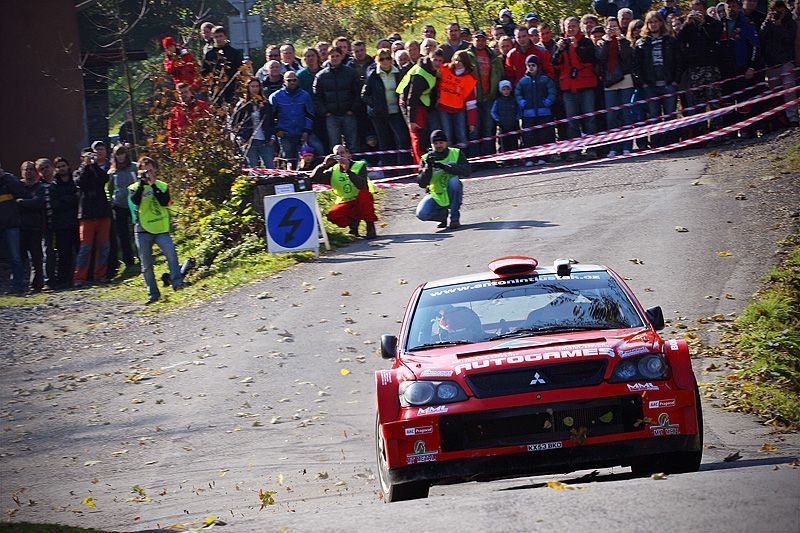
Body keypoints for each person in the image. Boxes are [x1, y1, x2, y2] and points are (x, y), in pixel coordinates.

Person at [128, 156, 187, 305]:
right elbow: (135, 201)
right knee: (146, 264)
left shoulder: (162, 185)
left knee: (171, 255)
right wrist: (142, 185)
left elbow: (164, 201)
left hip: (160, 228)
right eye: (144, 171)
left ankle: (177, 282)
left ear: (155, 170)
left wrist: (153, 185)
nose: (148, 173)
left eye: (150, 170)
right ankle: (153, 293)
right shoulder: (134, 188)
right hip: (142, 230)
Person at [633, 11, 683, 147]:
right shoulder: (641, 42)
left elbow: (679, 61)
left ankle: (672, 143)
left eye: (655, 21)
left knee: (670, 115)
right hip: (650, 85)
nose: (653, 25)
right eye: (650, 22)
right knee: (654, 115)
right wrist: (642, 82)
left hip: (668, 83)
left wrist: (675, 80)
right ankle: (656, 144)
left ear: (661, 23)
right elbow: (637, 65)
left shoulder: (671, 40)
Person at [552, 17, 600, 159]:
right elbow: (554, 63)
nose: (571, 29)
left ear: (578, 27)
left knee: (590, 119)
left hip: (586, 86)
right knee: (572, 121)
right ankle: (575, 150)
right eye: (568, 26)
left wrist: (576, 47)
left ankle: (592, 148)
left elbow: (590, 59)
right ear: (564, 28)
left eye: (573, 26)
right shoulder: (560, 43)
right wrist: (559, 50)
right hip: (568, 88)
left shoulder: (585, 42)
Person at [310, 144, 377, 238]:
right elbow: (313, 178)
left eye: (342, 153)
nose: (340, 156)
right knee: (333, 216)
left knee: (364, 195)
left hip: (360, 201)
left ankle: (370, 227)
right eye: (337, 154)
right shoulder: (333, 170)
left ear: (348, 154)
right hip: (346, 202)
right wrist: (324, 165)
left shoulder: (359, 165)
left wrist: (348, 170)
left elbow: (361, 185)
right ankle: (353, 224)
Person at [677, 0, 724, 134]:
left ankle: (717, 133)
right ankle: (701, 133)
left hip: (711, 67)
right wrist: (686, 23)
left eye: (698, 9)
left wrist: (704, 23)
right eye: (693, 9)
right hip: (695, 68)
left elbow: (716, 35)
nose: (696, 12)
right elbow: (679, 41)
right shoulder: (689, 26)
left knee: (714, 101)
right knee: (698, 103)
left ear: (703, 9)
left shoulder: (712, 23)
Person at [361, 48, 412, 165]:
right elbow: (364, 95)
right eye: (382, 59)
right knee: (384, 141)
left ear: (391, 59)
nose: (385, 61)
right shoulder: (373, 75)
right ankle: (388, 168)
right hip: (379, 114)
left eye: (388, 58)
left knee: (402, 138)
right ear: (378, 60)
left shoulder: (398, 73)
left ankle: (404, 166)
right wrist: (376, 105)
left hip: (396, 111)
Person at [73, 148, 112, 287]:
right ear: (81, 157)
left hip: (102, 213)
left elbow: (104, 179)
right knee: (85, 248)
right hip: (87, 215)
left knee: (104, 246)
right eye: (87, 156)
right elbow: (79, 182)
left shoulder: (98, 170)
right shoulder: (78, 172)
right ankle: (79, 277)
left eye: (92, 156)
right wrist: (86, 165)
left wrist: (94, 165)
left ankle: (100, 275)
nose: (90, 158)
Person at [597, 16, 636, 155]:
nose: (613, 29)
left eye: (615, 26)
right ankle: (614, 147)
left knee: (626, 114)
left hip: (625, 79)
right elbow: (601, 58)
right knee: (612, 116)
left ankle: (627, 146)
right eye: (610, 27)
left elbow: (627, 56)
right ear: (606, 28)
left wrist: (621, 39)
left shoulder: (625, 40)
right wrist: (608, 40)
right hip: (609, 82)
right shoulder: (602, 42)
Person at [415, 130, 470, 229]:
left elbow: (467, 171)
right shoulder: (426, 158)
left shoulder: (456, 153)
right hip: (436, 193)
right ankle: (441, 217)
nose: (439, 145)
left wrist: (445, 167)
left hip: (452, 190)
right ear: (431, 145)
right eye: (435, 143)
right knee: (421, 214)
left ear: (446, 142)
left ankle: (454, 218)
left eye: (441, 143)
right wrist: (428, 167)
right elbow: (422, 184)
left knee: (454, 182)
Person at [397, 49, 443, 163]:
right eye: (435, 60)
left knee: (423, 136)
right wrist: (411, 120)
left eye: (440, 61)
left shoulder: (431, 69)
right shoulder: (421, 74)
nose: (437, 63)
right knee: (417, 136)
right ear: (429, 57)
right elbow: (411, 98)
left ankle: (423, 163)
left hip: (421, 104)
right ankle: (420, 165)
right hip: (413, 105)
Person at [313, 47, 361, 152]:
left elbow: (358, 93)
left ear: (342, 56)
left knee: (352, 144)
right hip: (331, 116)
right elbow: (317, 97)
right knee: (334, 145)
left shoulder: (351, 73)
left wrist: (352, 109)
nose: (335, 58)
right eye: (332, 56)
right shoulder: (321, 76)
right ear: (328, 58)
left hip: (348, 114)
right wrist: (325, 112)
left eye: (337, 56)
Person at [271, 71, 321, 167]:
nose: (292, 82)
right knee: (289, 159)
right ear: (284, 81)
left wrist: (306, 131)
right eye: (289, 80)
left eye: (294, 80)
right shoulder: (275, 97)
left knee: (318, 148)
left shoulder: (305, 95)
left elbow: (310, 114)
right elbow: (270, 116)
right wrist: (277, 129)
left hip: (302, 131)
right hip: (285, 133)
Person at [760, 0, 798, 127]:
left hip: (786, 62)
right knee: (774, 94)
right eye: (775, 10)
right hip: (771, 63)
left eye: (780, 10)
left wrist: (779, 24)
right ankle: (779, 120)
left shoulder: (790, 22)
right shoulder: (768, 22)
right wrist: (768, 21)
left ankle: (793, 118)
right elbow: (762, 36)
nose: (777, 13)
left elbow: (789, 38)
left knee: (789, 91)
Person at [468, 30, 504, 156]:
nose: (480, 42)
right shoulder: (467, 55)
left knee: (489, 129)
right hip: (473, 98)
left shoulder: (492, 56)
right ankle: (475, 158)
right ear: (473, 40)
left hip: (489, 96)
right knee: (474, 130)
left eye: (483, 39)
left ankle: (489, 158)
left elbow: (499, 73)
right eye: (477, 39)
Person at [516, 55, 556, 165]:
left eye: (533, 65)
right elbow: (518, 93)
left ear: (538, 66)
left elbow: (552, 91)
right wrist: (521, 102)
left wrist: (549, 101)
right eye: (529, 65)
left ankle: (543, 157)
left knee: (544, 136)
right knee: (529, 137)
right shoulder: (523, 81)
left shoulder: (545, 79)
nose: (531, 68)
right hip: (528, 114)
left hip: (544, 113)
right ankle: (530, 158)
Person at [436, 50, 478, 148]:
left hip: (459, 110)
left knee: (461, 135)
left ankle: (462, 159)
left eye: (460, 61)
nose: (457, 63)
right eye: (455, 60)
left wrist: (472, 123)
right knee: (447, 135)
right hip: (444, 108)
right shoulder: (444, 69)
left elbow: (471, 104)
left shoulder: (470, 79)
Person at [232, 78, 276, 168]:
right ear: (248, 88)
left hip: (265, 140)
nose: (255, 89)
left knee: (270, 166)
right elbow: (235, 123)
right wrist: (240, 138)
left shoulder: (265, 103)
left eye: (257, 86)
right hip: (249, 141)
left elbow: (271, 121)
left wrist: (272, 137)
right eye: (252, 86)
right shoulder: (243, 104)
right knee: (252, 167)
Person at [107, 145, 138, 269]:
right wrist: (111, 201)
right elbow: (109, 189)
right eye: (117, 155)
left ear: (126, 154)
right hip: (119, 205)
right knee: (123, 233)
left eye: (122, 154)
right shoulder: (112, 172)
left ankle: (142, 254)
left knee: (138, 230)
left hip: (134, 203)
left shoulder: (134, 167)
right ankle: (128, 259)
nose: (120, 157)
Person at [51, 157, 79, 289]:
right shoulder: (54, 185)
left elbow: (79, 199)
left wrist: (65, 200)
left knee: (80, 251)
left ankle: (80, 277)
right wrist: (70, 199)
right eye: (59, 166)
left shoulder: (75, 182)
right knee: (63, 254)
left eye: (63, 165)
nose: (61, 168)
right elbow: (54, 205)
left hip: (76, 222)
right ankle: (63, 280)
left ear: (68, 167)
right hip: (61, 225)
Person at [17, 162, 44, 292]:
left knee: (36, 258)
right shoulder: (18, 186)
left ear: (35, 172)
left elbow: (38, 203)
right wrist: (27, 203)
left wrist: (22, 202)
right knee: (19, 258)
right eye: (26, 170)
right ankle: (18, 284)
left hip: (35, 227)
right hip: (20, 227)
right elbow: (14, 203)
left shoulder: (40, 187)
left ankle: (36, 285)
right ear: (22, 172)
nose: (28, 172)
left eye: (31, 169)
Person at [0, 164, 26, 293]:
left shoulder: (9, 179)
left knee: (15, 257)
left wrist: (5, 177)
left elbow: (21, 192)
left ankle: (18, 285)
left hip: (11, 225)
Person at [201, 26, 244, 104]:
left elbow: (240, 70)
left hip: (231, 88)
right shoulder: (209, 54)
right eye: (216, 37)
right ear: (213, 38)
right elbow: (205, 71)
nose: (219, 39)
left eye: (221, 36)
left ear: (225, 36)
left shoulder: (234, 53)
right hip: (215, 90)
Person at [167, 82, 211, 151]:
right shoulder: (175, 112)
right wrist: (174, 150)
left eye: (186, 92)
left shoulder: (201, 105)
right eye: (181, 93)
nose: (183, 95)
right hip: (186, 149)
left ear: (190, 92)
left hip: (204, 144)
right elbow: (171, 134)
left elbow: (210, 123)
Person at [35, 158, 57, 288]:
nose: (45, 171)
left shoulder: (58, 183)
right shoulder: (39, 186)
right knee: (47, 252)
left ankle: (63, 277)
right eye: (41, 169)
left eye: (46, 167)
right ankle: (48, 280)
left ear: (52, 167)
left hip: (60, 222)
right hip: (45, 224)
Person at [492, 80, 521, 153]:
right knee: (504, 143)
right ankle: (505, 160)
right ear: (500, 90)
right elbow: (493, 111)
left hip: (513, 125)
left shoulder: (514, 100)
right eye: (504, 89)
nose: (506, 91)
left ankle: (515, 159)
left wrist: (517, 117)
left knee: (514, 142)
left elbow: (519, 110)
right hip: (503, 126)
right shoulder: (498, 101)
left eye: (507, 89)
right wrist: (498, 119)